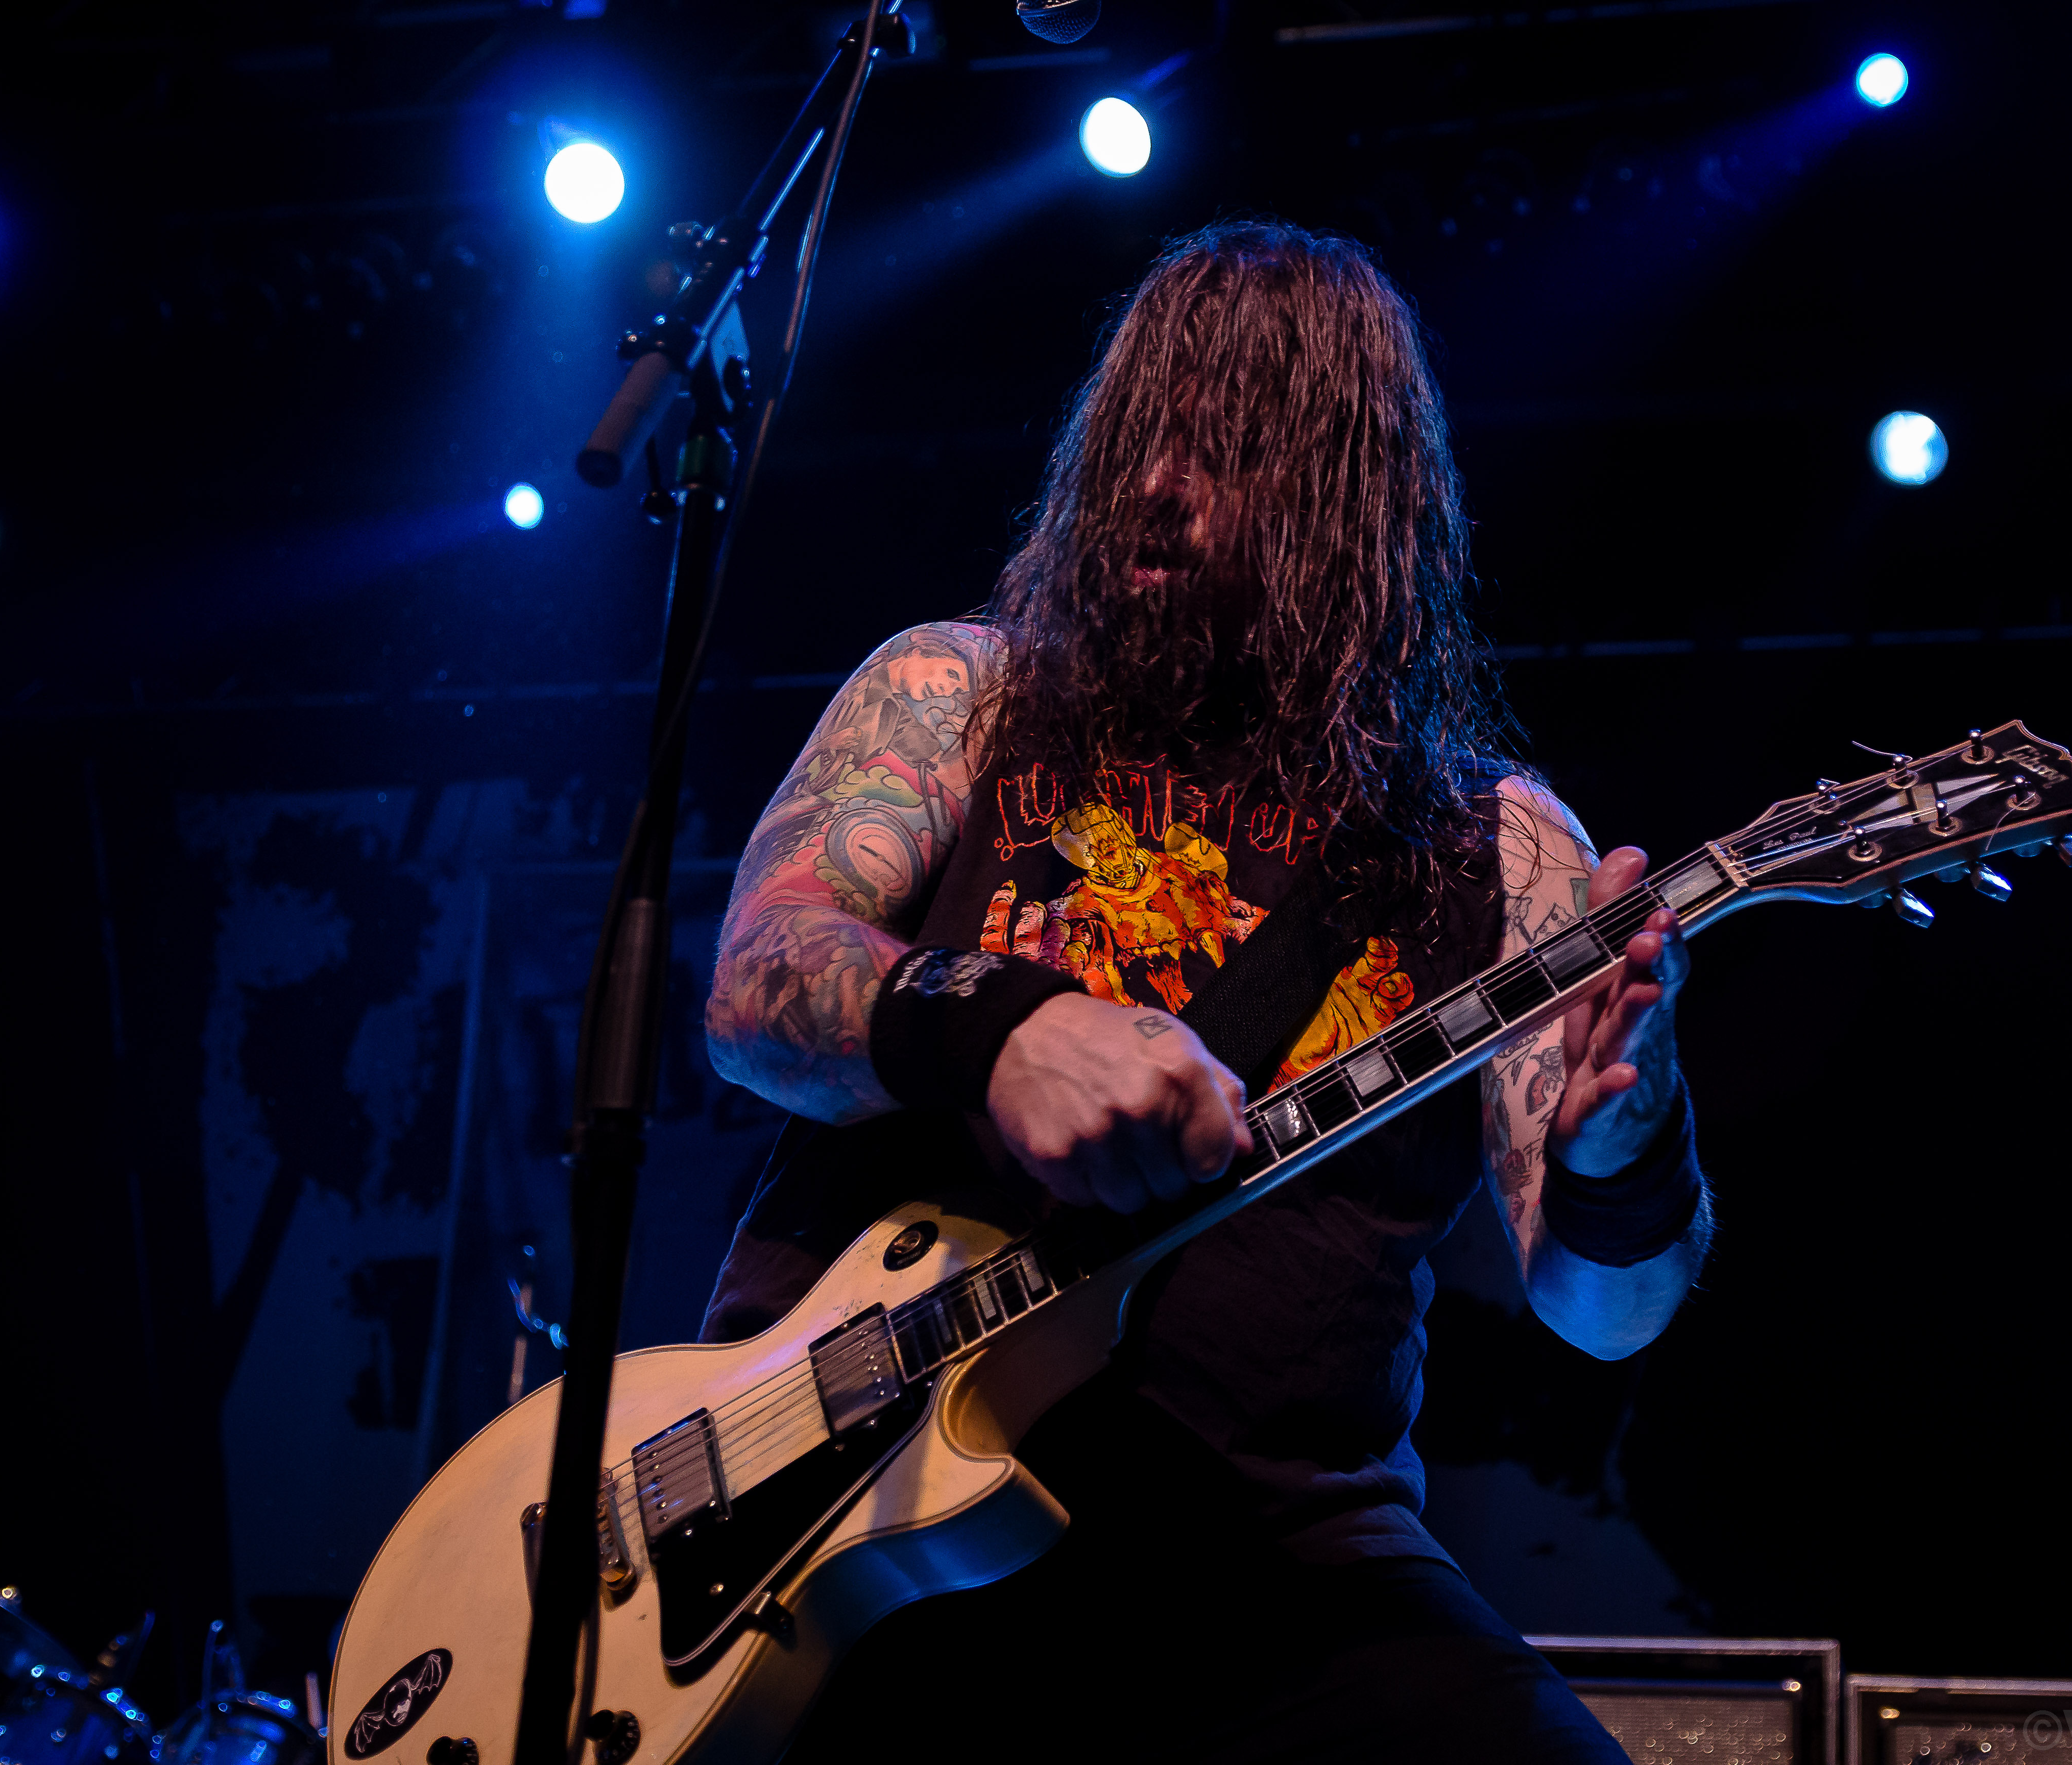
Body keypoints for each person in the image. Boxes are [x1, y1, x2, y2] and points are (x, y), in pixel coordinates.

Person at [702, 219, 1709, 1762]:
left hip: (1281, 1571)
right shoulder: (960, 694)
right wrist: (1002, 1030)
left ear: (1344, 496)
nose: (1159, 485)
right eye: (1141, 438)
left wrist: (1625, 1149)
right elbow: (760, 980)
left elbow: (1608, 1316)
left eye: (1224, 450)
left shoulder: (1501, 849)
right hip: (855, 1508)